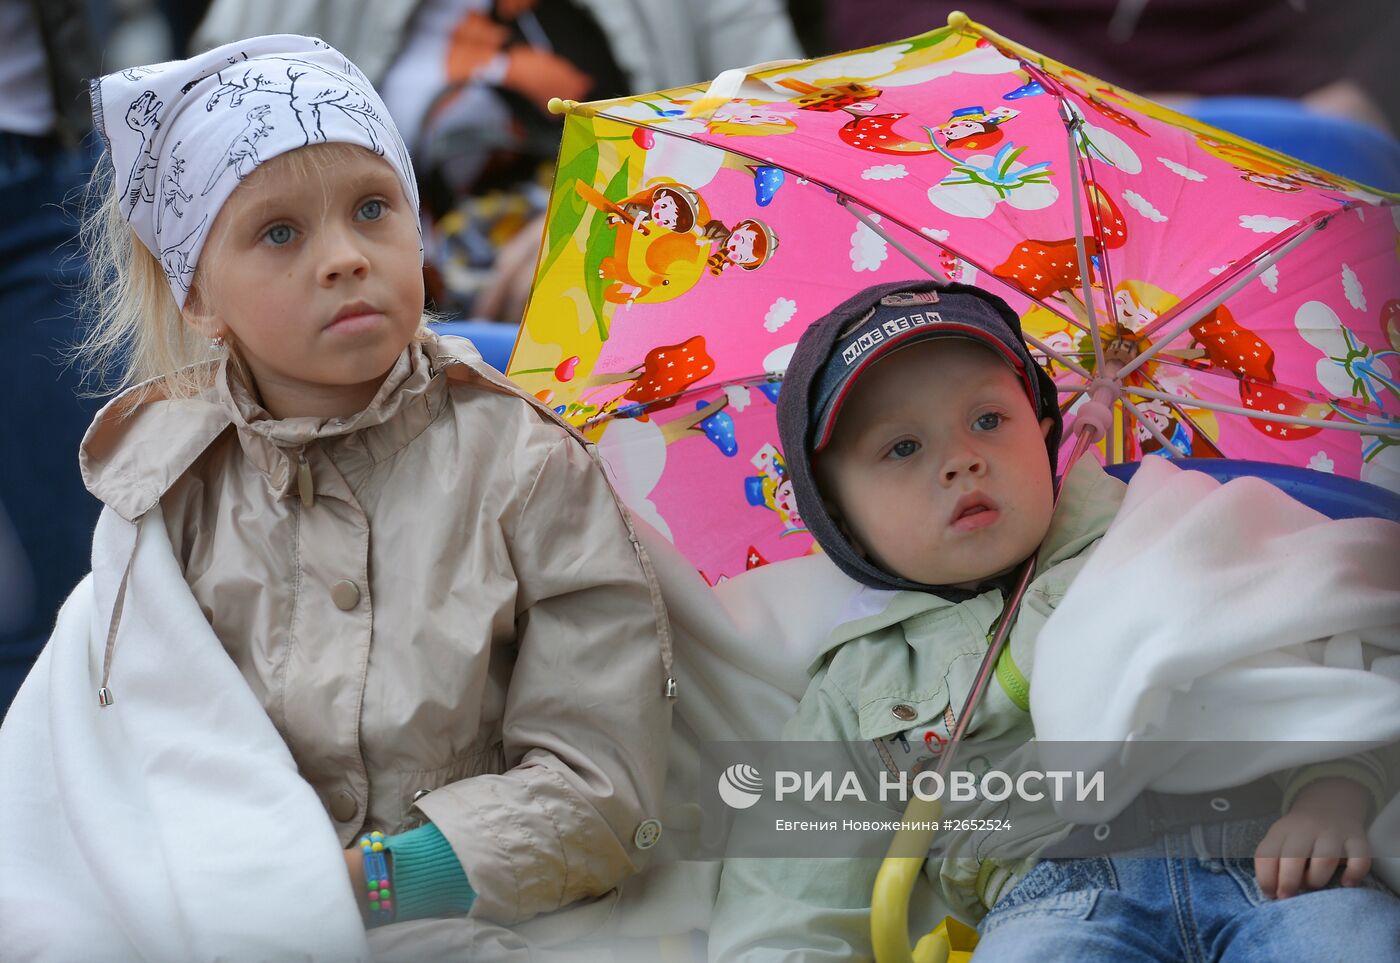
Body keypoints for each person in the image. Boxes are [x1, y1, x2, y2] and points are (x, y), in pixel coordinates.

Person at [0, 35, 672, 955]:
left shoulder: (529, 466)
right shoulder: (167, 495)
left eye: (372, 208)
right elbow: (112, 770)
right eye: (280, 233)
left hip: (482, 919)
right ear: (198, 294)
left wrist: (370, 886)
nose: (346, 257)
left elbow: (603, 786)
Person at [707, 279, 1400, 960]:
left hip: (1273, 857)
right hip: (1051, 899)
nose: (962, 459)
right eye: (903, 448)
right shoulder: (860, 678)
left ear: (1045, 436)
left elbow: (1330, 661)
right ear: (842, 523)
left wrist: (1333, 797)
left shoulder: (1170, 529)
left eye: (988, 420)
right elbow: (786, 896)